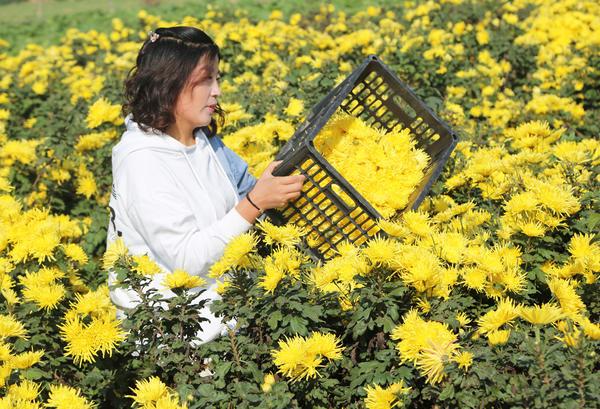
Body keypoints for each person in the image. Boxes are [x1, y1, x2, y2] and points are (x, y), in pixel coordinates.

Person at [106, 26, 305, 343]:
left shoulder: (204, 141)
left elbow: (248, 189)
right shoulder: (141, 162)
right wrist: (254, 204)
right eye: (204, 80)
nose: (217, 91)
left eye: (217, 78)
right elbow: (187, 259)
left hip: (230, 323)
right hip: (178, 345)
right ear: (168, 84)